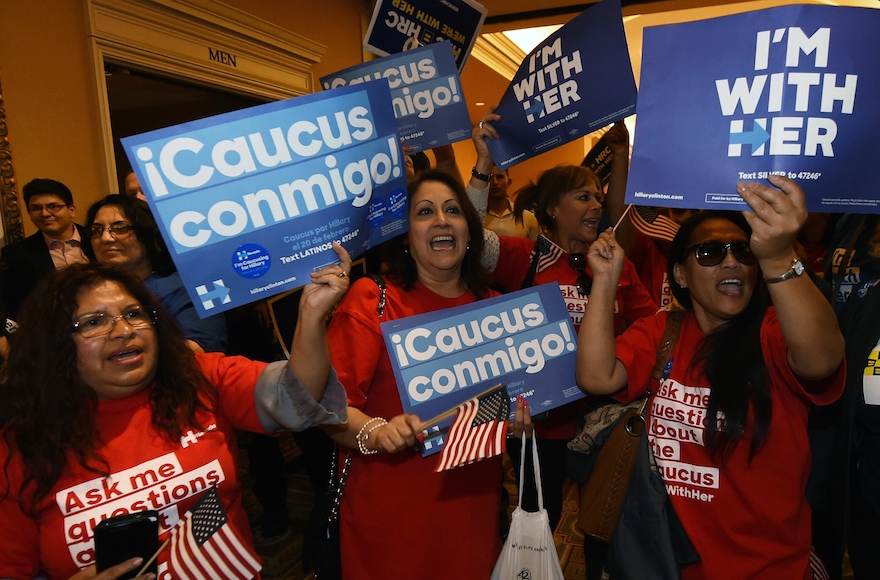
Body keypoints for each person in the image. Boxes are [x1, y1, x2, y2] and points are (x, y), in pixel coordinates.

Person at [0, 250, 350, 580]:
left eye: (135, 314)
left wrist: (311, 313)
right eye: (94, 322)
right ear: (57, 344)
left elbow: (296, 398)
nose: (124, 330)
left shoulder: (196, 378)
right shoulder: (19, 449)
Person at [577, 175, 845, 579]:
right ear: (680, 276)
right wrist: (606, 280)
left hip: (766, 566)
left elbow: (822, 359)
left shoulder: (773, 332)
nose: (731, 261)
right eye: (709, 253)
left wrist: (775, 256)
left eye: (742, 251)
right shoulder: (663, 331)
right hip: (665, 562)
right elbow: (597, 377)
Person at [324, 169, 531, 579]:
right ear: (405, 234)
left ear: (469, 230)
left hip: (472, 508)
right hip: (391, 515)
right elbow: (329, 410)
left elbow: (517, 401)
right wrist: (378, 433)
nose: (441, 220)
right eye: (424, 212)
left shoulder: (497, 308)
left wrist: (521, 421)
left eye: (452, 210)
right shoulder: (373, 299)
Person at [469, 112, 658, 530]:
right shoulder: (525, 257)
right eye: (583, 197)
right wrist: (482, 168)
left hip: (604, 421)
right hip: (538, 427)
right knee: (541, 520)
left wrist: (624, 363)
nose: (596, 204)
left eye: (597, 195)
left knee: (603, 523)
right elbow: (468, 239)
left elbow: (654, 325)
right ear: (552, 209)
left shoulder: (614, 264)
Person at [84, 194, 227, 353]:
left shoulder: (190, 288)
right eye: (96, 230)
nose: (105, 238)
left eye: (120, 228)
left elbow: (200, 349)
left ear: (148, 234)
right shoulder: (88, 291)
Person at [0, 178, 89, 320]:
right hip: (50, 332)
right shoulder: (17, 254)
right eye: (36, 208)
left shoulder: (96, 239)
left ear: (71, 210)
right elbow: (13, 304)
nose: (45, 213)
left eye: (53, 206)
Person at [484, 165, 540, 240]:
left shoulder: (527, 218)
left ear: (509, 182)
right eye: (490, 177)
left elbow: (537, 250)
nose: (495, 182)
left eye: (500, 177)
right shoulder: (477, 218)